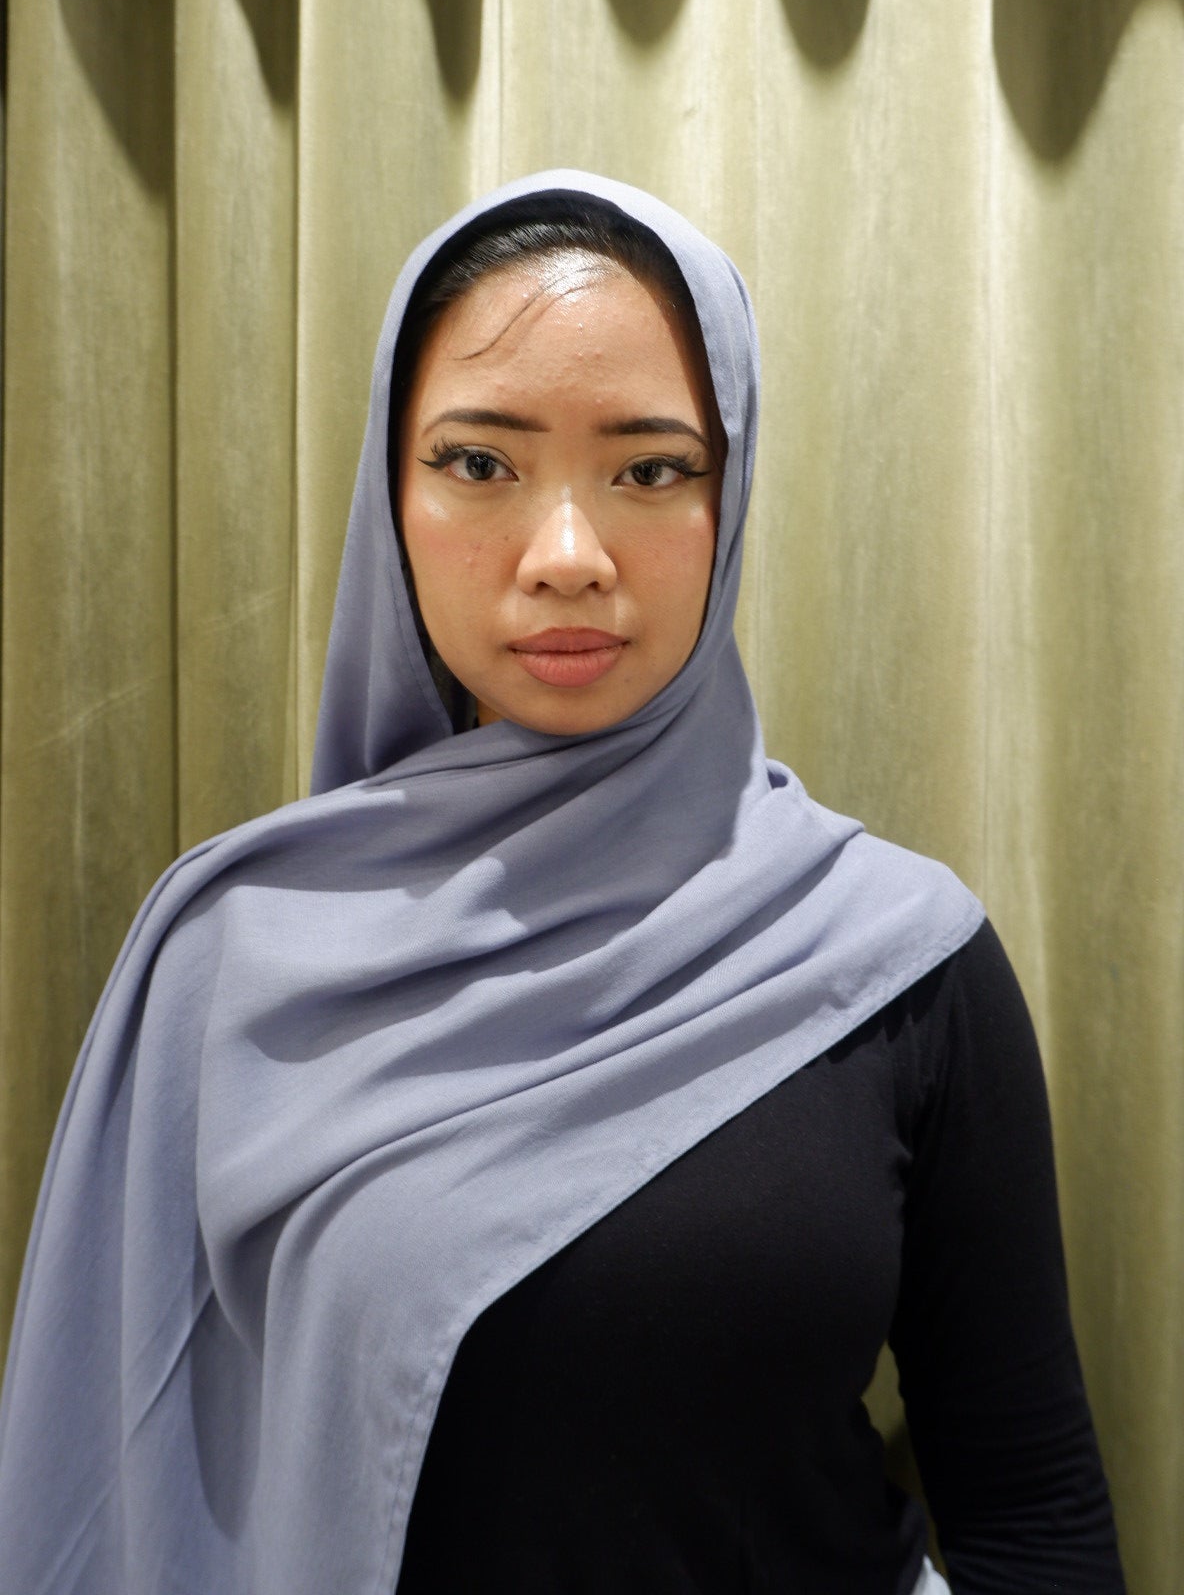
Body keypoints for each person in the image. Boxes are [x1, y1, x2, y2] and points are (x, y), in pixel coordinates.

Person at [0, 171, 1124, 1593]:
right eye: (480, 463)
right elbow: (122, 1478)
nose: (568, 558)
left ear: (731, 492)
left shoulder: (901, 958)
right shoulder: (230, 958)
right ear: (387, 496)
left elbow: (1035, 1512)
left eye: (654, 469)